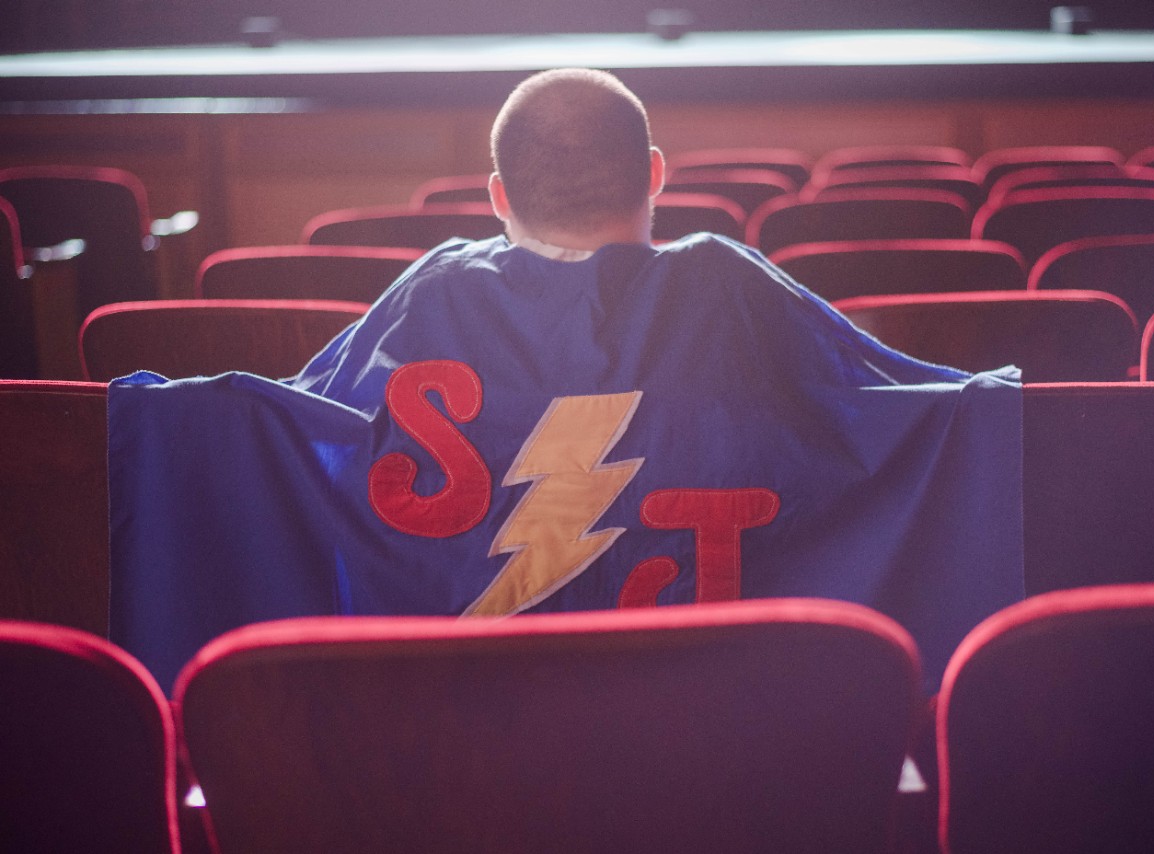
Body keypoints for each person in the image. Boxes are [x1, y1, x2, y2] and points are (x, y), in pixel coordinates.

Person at [108, 68, 1023, 692]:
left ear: (497, 194)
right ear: (656, 176)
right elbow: (907, 415)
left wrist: (156, 423)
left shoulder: (432, 297)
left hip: (451, 737)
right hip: (726, 739)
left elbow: (301, 438)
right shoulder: (732, 287)